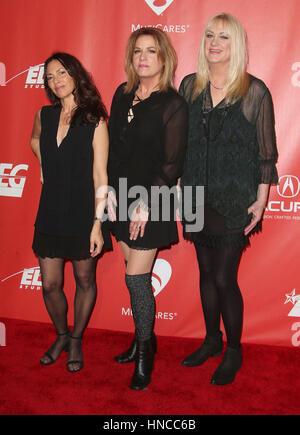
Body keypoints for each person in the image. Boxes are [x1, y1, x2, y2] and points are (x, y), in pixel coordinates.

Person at [179, 13, 278, 385]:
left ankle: (233, 350)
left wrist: (261, 199)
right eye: (209, 35)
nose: (214, 42)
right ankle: (211, 340)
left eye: (223, 36)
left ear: (236, 45)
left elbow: (267, 153)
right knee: (205, 274)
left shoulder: (255, 91)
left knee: (223, 277)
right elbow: (179, 142)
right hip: (193, 195)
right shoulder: (190, 86)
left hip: (236, 199)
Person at [107, 28, 188, 390]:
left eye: (151, 51)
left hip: (151, 199)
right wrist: (108, 192)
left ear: (163, 58)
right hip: (119, 197)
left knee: (136, 279)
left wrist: (145, 203)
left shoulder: (172, 104)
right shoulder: (122, 95)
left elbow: (173, 164)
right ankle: (145, 339)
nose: (143, 58)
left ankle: (144, 356)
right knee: (131, 271)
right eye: (137, 51)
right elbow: (111, 149)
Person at [30, 52, 111, 373]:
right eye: (49, 77)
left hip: (83, 213)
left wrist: (97, 224)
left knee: (84, 279)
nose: (56, 81)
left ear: (76, 75)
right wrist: (43, 164)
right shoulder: (44, 115)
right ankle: (61, 335)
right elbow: (35, 139)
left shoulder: (95, 119)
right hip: (49, 209)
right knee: (50, 284)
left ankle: (76, 338)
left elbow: (101, 177)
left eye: (61, 73)